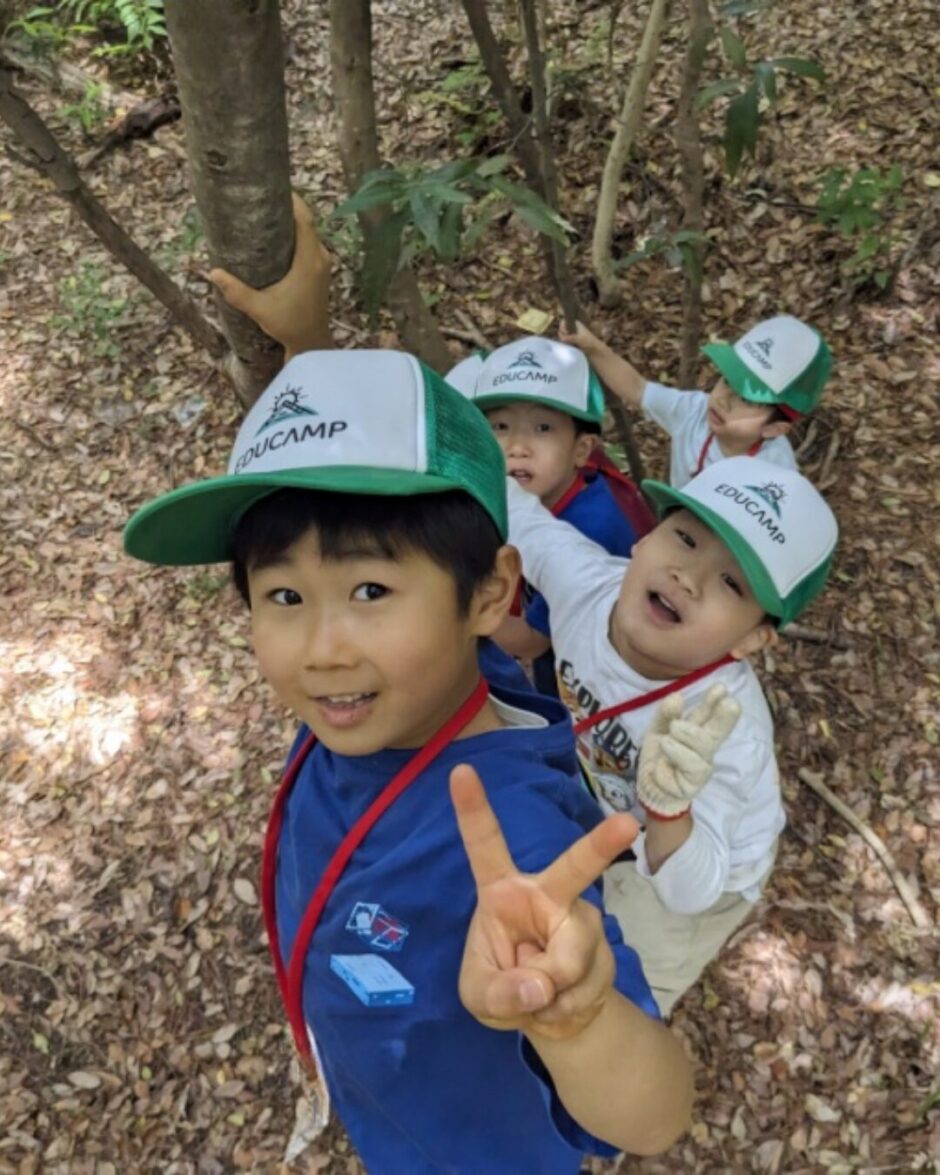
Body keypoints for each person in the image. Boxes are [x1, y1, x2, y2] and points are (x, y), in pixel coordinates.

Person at [123, 342, 696, 1169]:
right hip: (388, 1101)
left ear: (490, 593)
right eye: (284, 595)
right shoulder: (376, 704)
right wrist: (301, 336)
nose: (322, 648)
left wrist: (578, 1020)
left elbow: (654, 1118)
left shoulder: (513, 835)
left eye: (371, 591)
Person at [504, 455, 838, 1013]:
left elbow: (690, 893)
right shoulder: (587, 585)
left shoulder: (724, 731)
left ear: (752, 641)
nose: (689, 576)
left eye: (731, 583)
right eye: (685, 538)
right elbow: (524, 521)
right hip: (615, 809)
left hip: (706, 862)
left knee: (631, 979)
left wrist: (669, 811)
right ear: (642, 540)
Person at [455, 335, 644, 694]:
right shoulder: (541, 498)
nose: (517, 447)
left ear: (581, 450)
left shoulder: (592, 527)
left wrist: (456, 604)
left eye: (543, 428)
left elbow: (531, 641)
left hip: (596, 687)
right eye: (500, 427)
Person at [561, 315, 832, 488]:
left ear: (774, 428)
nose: (723, 400)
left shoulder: (776, 476)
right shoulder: (694, 411)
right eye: (727, 381)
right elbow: (637, 389)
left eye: (746, 399)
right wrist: (592, 347)